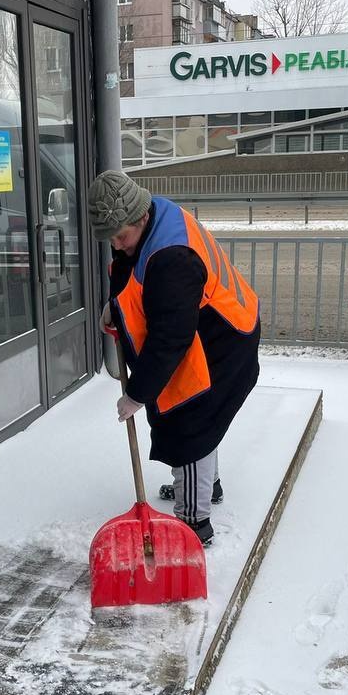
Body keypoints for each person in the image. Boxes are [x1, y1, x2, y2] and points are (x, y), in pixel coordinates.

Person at [89, 170, 260, 545]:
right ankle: (205, 486)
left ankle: (193, 525)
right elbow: (129, 272)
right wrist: (115, 309)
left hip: (225, 338)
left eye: (121, 236)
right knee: (196, 416)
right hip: (207, 325)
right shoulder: (151, 219)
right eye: (110, 238)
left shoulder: (172, 259)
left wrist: (137, 394)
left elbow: (169, 339)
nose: (117, 245)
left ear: (141, 217)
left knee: (192, 422)